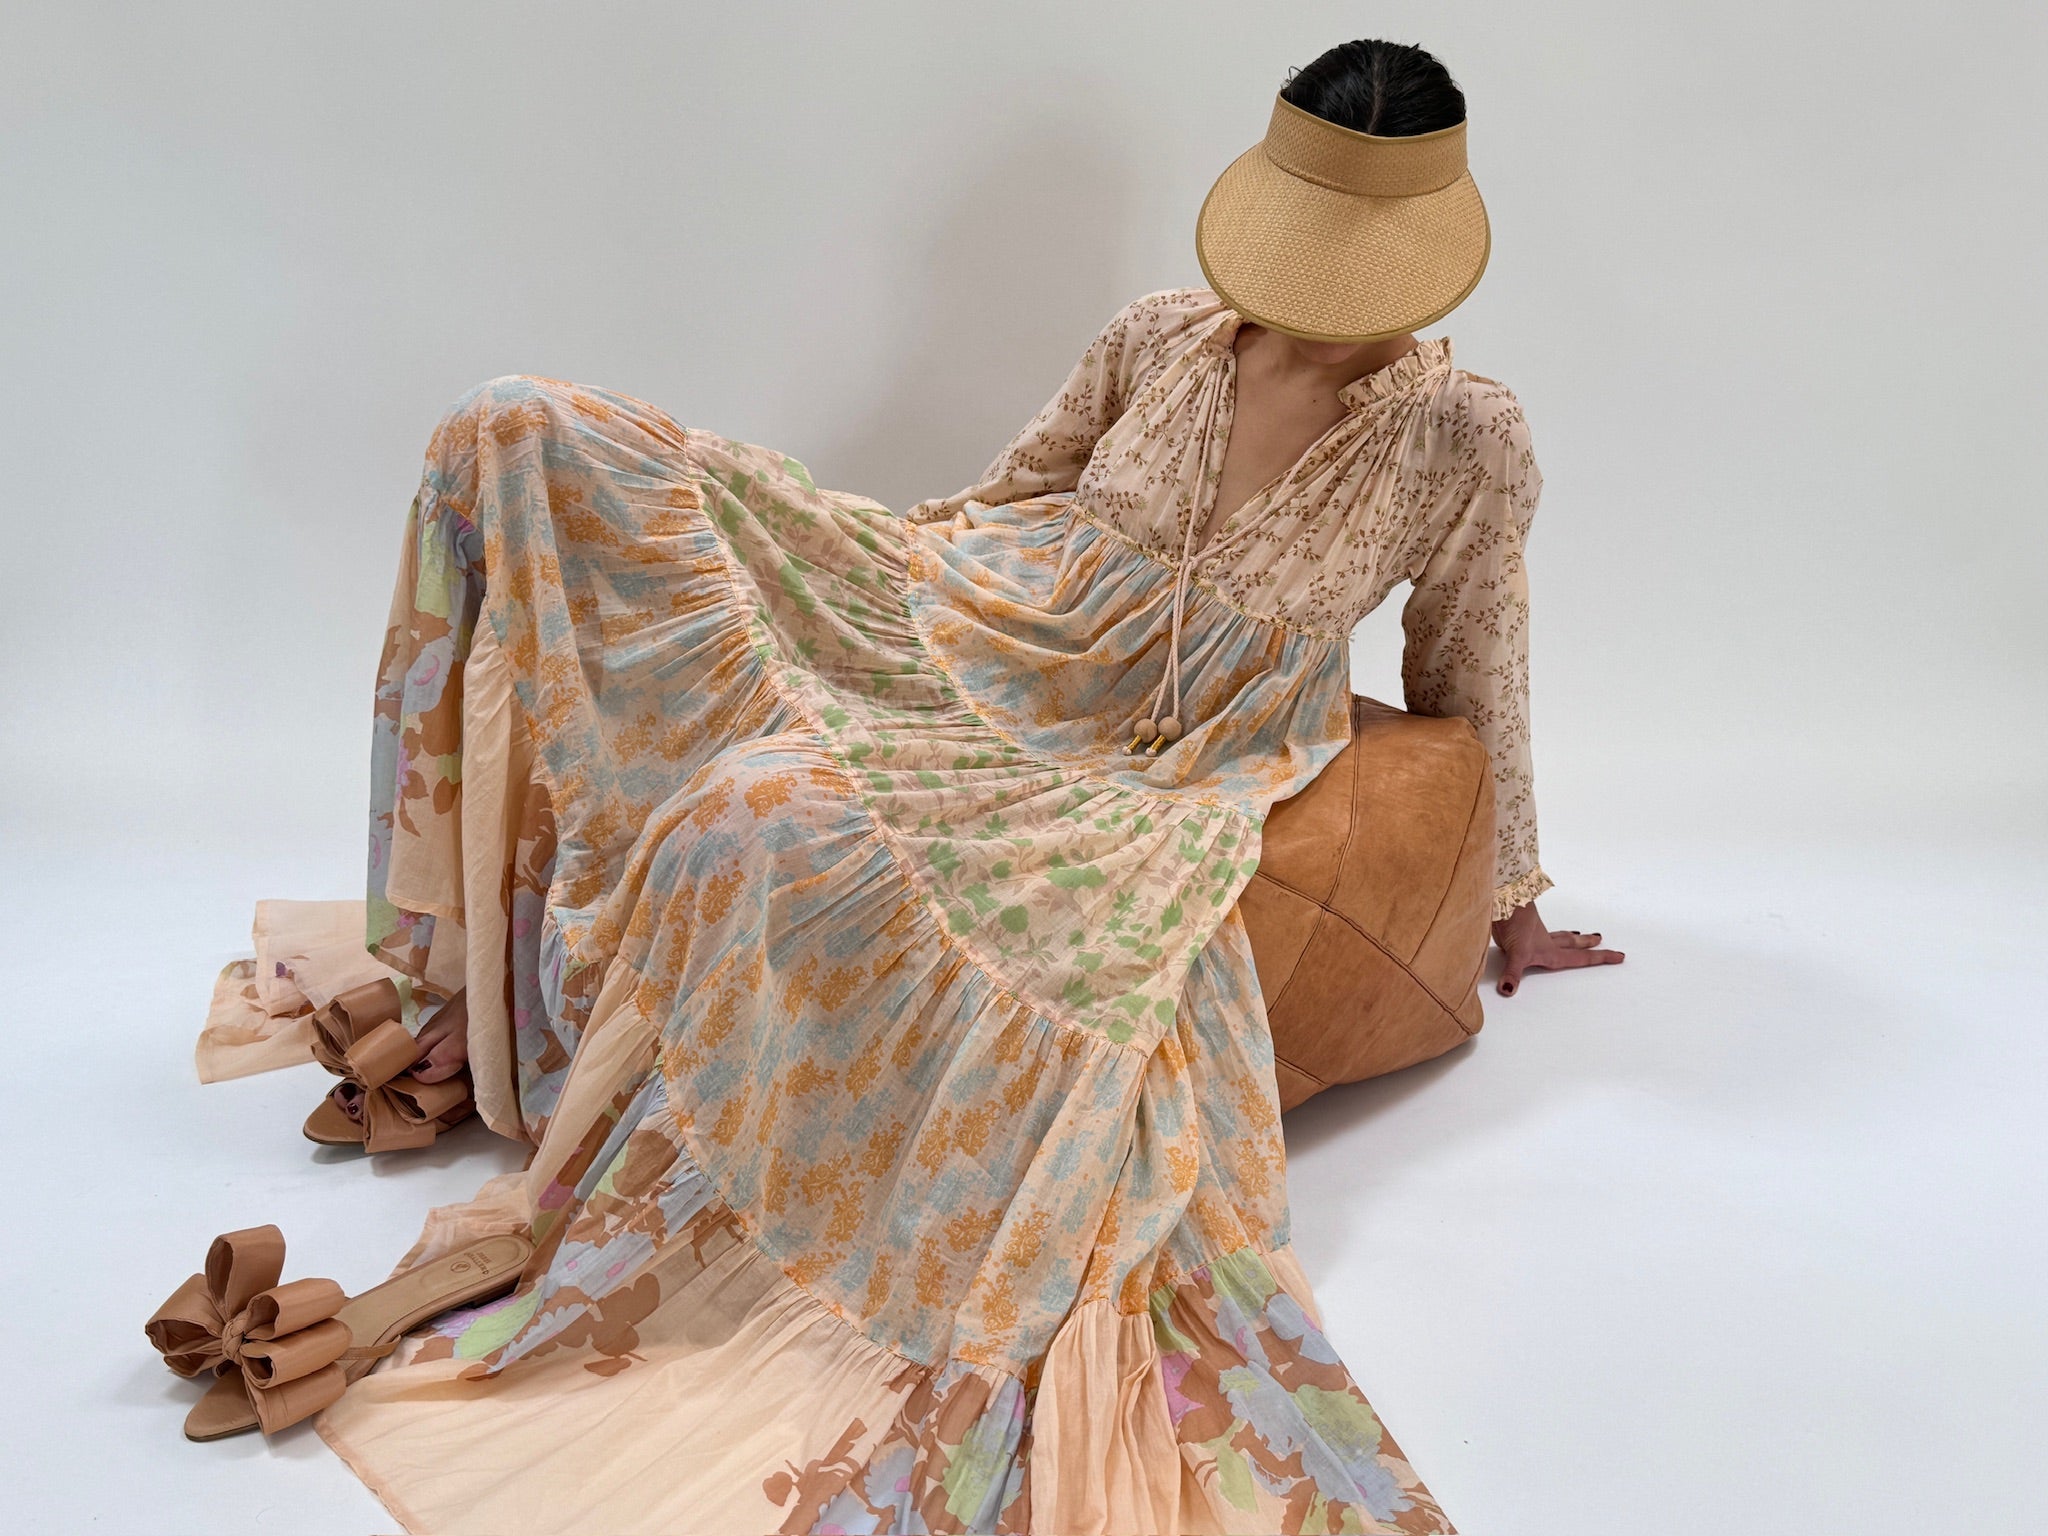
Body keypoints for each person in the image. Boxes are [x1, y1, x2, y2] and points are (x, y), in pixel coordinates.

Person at [157, 37, 1620, 1535]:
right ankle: (462, 970)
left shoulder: (1466, 434)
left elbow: (1474, 650)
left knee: (756, 811)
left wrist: (1507, 895)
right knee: (517, 426)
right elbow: (1007, 498)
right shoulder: (1164, 336)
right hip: (982, 620)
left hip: (1155, 755)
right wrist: (833, 584)